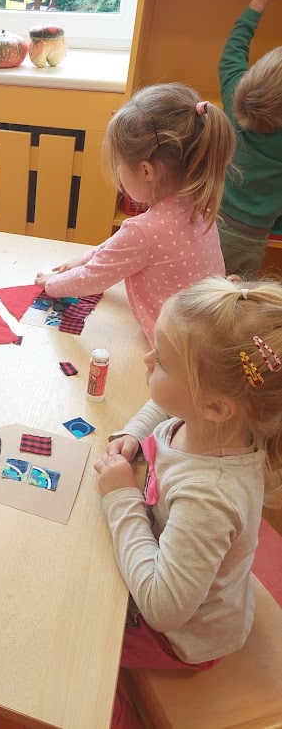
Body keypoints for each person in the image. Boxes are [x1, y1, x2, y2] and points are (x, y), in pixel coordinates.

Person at [94, 276, 282, 729]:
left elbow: (163, 608)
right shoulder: (216, 420)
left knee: (74, 640)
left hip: (183, 638)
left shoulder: (209, 496)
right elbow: (167, 408)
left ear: (215, 407)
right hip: (191, 583)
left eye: (161, 361)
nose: (146, 359)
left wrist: (122, 497)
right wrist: (134, 434)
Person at [34, 83, 235, 345]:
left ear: (146, 171)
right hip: (205, 334)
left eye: (120, 164)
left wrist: (52, 283)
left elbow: (92, 279)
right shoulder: (199, 205)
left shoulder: (143, 231)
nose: (118, 174)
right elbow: (118, 249)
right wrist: (84, 258)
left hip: (174, 346)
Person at [217, 0, 282, 278]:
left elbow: (233, 51)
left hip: (208, 215)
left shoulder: (235, 96)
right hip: (251, 234)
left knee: (195, 285)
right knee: (233, 295)